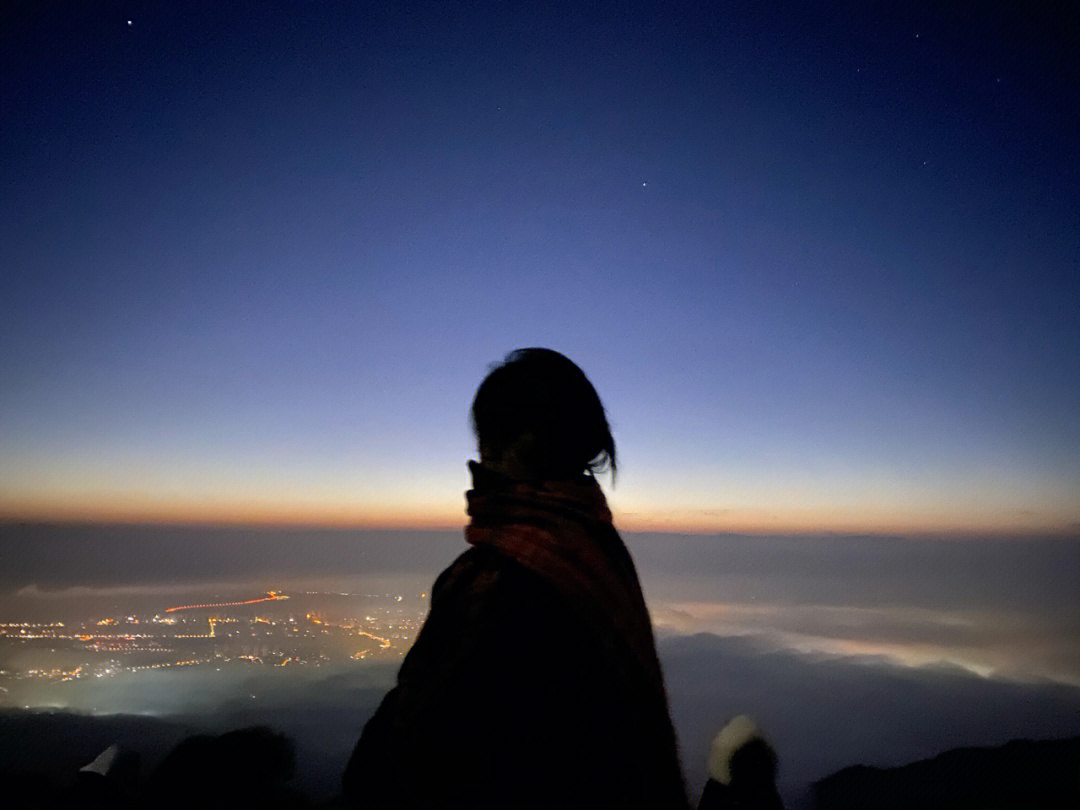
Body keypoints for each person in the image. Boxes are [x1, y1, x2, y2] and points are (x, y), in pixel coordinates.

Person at [342, 348, 689, 809]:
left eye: (487, 437)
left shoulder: (501, 584)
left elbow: (416, 763)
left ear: (509, 446)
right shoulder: (593, 547)